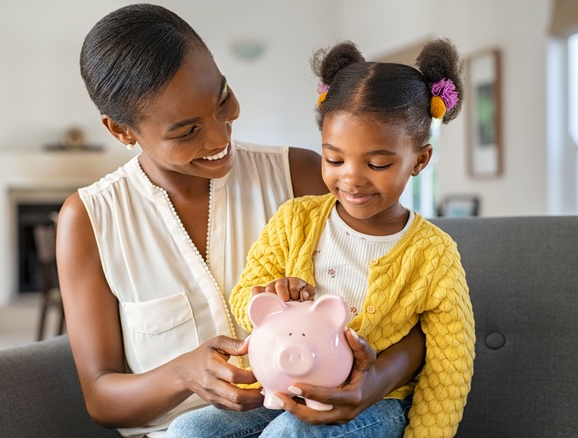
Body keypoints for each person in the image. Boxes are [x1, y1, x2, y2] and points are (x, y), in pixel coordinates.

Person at [56, 4, 426, 437]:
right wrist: (183, 374)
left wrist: (373, 383)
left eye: (223, 99)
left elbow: (418, 306)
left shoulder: (302, 177)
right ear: (122, 131)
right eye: (186, 131)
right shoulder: (89, 220)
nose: (220, 136)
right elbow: (101, 397)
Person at [168, 39, 475, 438]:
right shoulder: (296, 219)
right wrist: (272, 295)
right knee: (188, 430)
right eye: (334, 159)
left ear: (419, 161)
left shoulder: (434, 254)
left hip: (377, 404)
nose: (351, 177)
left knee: (287, 436)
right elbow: (245, 298)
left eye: (378, 163)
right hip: (282, 387)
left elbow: (451, 364)